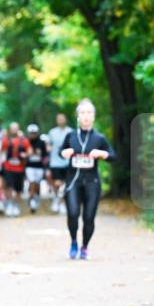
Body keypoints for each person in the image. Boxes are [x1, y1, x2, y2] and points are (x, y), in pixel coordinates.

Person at [59, 99, 115, 260]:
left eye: (89, 113)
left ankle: (84, 247)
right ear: (78, 116)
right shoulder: (70, 136)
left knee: (89, 217)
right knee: (73, 214)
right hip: (73, 182)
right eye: (83, 112)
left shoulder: (99, 138)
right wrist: (64, 153)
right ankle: (73, 243)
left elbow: (113, 156)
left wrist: (103, 154)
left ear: (93, 116)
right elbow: (60, 152)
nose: (86, 116)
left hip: (92, 182)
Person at [0, 122, 30, 217]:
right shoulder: (6, 140)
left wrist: (25, 155)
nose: (14, 130)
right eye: (12, 128)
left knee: (18, 189)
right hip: (8, 167)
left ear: (18, 129)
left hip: (20, 168)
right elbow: (2, 152)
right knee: (9, 187)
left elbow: (29, 151)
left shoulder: (23, 140)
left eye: (16, 128)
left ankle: (16, 205)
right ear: (10, 129)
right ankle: (9, 205)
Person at [46, 113, 73, 213]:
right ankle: (56, 198)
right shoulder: (52, 132)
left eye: (62, 119)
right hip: (55, 162)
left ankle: (62, 203)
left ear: (65, 120)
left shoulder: (70, 131)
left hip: (67, 162)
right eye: (59, 119)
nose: (61, 120)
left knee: (66, 184)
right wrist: (49, 149)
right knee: (57, 183)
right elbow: (48, 145)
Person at [24, 123, 49, 213]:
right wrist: (27, 155)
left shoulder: (41, 142)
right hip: (29, 166)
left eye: (34, 133)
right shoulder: (26, 142)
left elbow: (45, 155)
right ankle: (31, 200)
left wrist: (44, 161)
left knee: (37, 184)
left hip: (39, 167)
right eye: (31, 133)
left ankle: (36, 197)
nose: (33, 135)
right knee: (32, 183)